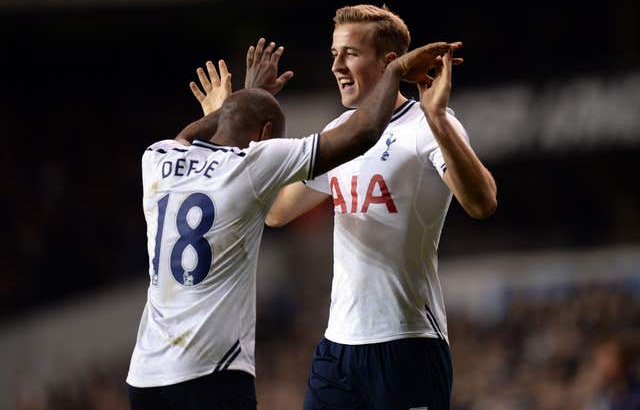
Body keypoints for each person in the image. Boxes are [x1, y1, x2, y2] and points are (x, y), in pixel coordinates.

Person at [126, 37, 461, 410]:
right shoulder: (254, 165)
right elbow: (363, 132)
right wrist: (395, 72)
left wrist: (234, 105)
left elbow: (187, 137)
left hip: (145, 374)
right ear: (266, 136)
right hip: (212, 369)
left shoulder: (156, 158)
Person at [261, 5, 498, 410]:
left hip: (407, 345)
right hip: (338, 349)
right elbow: (277, 212)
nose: (336, 65)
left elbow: (482, 203)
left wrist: (438, 118)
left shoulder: (427, 125)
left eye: (350, 53)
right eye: (334, 53)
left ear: (390, 62)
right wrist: (257, 115)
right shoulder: (340, 133)